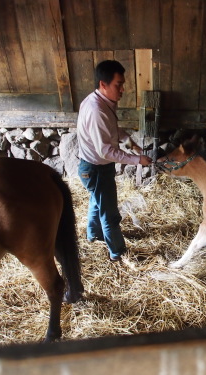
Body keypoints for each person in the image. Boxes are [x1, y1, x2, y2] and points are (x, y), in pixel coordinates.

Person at [77, 60, 152, 262]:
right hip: (96, 168)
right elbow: (106, 151)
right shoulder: (96, 110)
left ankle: (93, 235)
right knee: (109, 215)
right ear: (103, 84)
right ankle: (118, 253)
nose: (122, 89)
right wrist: (137, 160)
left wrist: (129, 141)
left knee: (97, 201)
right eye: (118, 85)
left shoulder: (100, 102)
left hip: (93, 168)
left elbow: (111, 130)